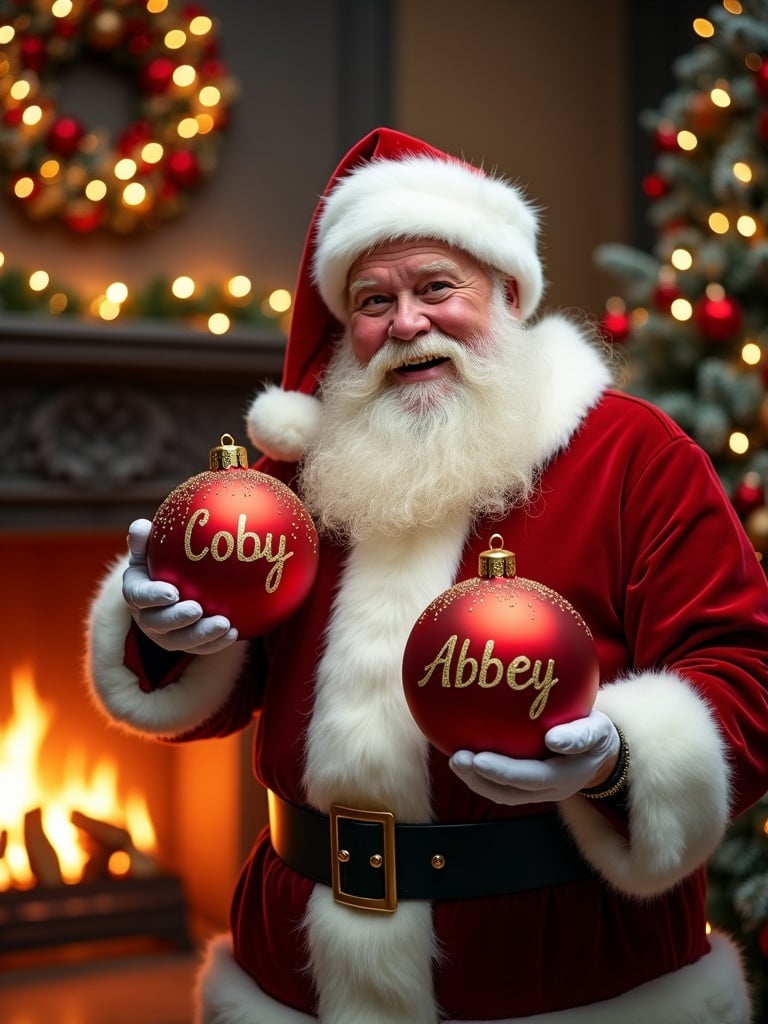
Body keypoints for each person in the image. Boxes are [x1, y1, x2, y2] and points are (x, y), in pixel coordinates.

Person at [86, 127, 768, 1024]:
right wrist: (163, 633)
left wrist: (616, 759)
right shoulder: (304, 474)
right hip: (298, 967)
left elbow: (743, 675)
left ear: (509, 294)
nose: (405, 323)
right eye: (373, 300)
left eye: (437, 287)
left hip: (559, 968)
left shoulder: (633, 454)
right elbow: (226, 688)